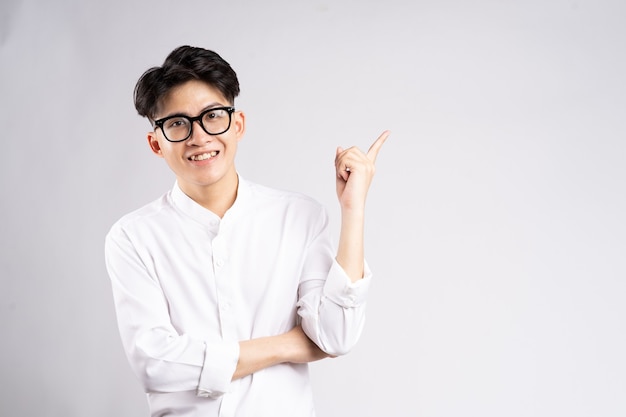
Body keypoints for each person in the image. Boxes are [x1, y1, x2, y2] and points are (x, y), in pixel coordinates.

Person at [104, 45, 389, 417]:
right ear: (156, 143)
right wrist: (288, 345)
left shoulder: (299, 216)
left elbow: (335, 336)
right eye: (177, 123)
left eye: (213, 116)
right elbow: (156, 366)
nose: (199, 137)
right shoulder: (132, 237)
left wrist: (353, 209)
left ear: (237, 124)